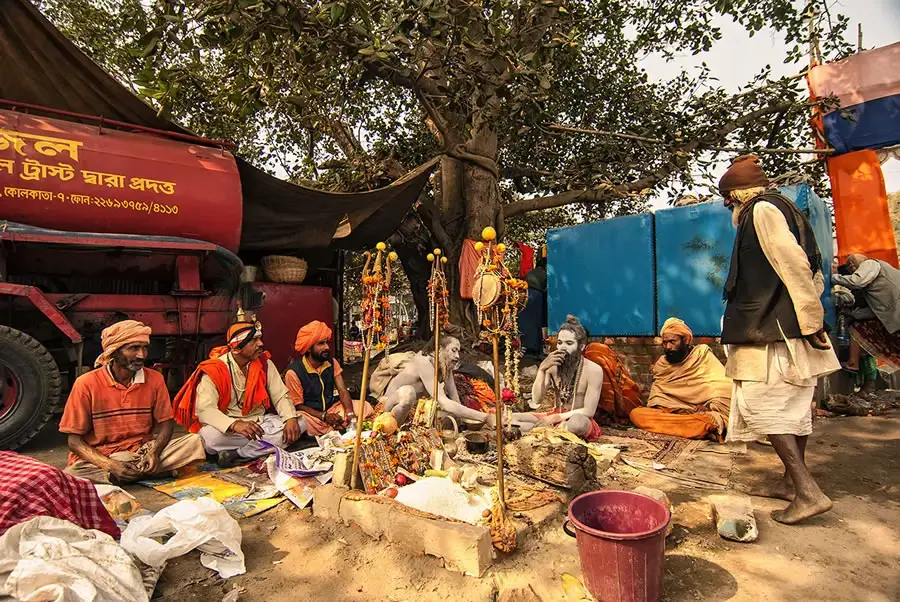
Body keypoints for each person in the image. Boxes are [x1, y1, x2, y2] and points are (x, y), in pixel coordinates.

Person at [719, 155, 839, 524]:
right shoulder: (784, 209)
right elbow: (813, 268)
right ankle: (789, 482)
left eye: (727, 198)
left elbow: (793, 264)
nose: (726, 205)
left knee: (762, 404)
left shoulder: (762, 211)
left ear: (739, 194)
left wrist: (811, 321)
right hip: (784, 328)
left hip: (774, 333)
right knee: (792, 407)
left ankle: (807, 492)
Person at [60, 320, 206, 484]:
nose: (141, 355)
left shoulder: (155, 379)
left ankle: (132, 473)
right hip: (103, 456)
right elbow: (74, 442)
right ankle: (148, 472)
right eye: (134, 348)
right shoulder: (86, 383)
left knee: (194, 442)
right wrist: (109, 465)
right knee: (73, 472)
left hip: (142, 450)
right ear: (114, 352)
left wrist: (155, 452)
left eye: (144, 348)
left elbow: (166, 424)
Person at [173, 320, 302, 467]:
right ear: (236, 349)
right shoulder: (215, 370)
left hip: (260, 423)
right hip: (230, 429)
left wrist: (290, 418)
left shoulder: (265, 363)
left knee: (302, 422)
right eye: (254, 340)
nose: (260, 344)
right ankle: (260, 448)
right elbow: (205, 410)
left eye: (260, 339)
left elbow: (280, 395)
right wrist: (235, 424)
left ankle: (239, 454)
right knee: (209, 438)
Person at [629, 318, 732, 441]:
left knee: (706, 420)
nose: (668, 347)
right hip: (673, 414)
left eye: (673, 341)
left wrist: (708, 407)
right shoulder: (662, 365)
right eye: (665, 342)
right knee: (636, 414)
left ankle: (698, 428)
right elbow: (658, 399)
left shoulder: (701, 357)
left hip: (699, 414)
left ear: (686, 340)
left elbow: (723, 388)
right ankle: (697, 431)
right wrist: (674, 410)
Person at [512, 315, 604, 441]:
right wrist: (542, 369)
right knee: (511, 417)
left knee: (578, 423)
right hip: (554, 416)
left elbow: (589, 411)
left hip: (576, 419)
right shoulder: (552, 366)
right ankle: (548, 432)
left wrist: (557, 418)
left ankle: (538, 431)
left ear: (581, 347)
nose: (562, 347)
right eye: (560, 343)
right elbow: (536, 400)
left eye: (569, 343)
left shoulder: (594, 370)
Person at [284, 320, 374, 436]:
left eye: (326, 342)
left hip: (332, 409)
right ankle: (333, 427)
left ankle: (336, 425)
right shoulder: (293, 372)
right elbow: (298, 405)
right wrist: (324, 416)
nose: (326, 347)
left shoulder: (332, 362)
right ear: (309, 348)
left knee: (364, 406)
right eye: (321, 344)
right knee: (302, 421)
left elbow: (342, 391)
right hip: (312, 416)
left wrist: (350, 413)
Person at [0, 451, 119, 537]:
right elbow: (74, 442)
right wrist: (107, 464)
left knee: (48, 475)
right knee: (59, 474)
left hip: (127, 456)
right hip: (98, 457)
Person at [382, 333, 492, 424]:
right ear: (439, 349)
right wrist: (485, 417)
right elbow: (444, 403)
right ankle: (396, 431)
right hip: (390, 407)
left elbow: (455, 400)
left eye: (458, 351)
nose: (458, 356)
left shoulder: (445, 367)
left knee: (449, 415)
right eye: (454, 350)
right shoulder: (423, 362)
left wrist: (466, 421)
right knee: (408, 393)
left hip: (414, 411)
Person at [831, 253, 900, 371]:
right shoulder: (879, 281)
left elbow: (856, 281)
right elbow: (877, 311)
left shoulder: (870, 264)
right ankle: (854, 363)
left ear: (852, 265)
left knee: (857, 328)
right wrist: (853, 314)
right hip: (895, 320)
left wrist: (834, 277)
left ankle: (853, 363)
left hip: (896, 319)